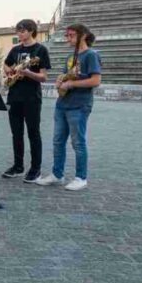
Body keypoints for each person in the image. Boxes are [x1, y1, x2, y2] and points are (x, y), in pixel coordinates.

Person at [37, 23, 101, 191]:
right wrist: (61, 80)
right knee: (58, 141)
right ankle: (57, 174)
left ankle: (81, 178)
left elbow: (96, 81)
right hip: (62, 104)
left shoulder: (91, 55)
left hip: (79, 105)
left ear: (84, 35)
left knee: (78, 142)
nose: (68, 38)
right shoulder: (70, 56)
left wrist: (72, 84)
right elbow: (68, 77)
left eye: (71, 35)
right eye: (67, 35)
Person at [1, 19, 51, 182]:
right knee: (16, 134)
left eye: (22, 31)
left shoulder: (40, 50)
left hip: (32, 98)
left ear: (31, 31)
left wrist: (28, 73)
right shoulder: (15, 50)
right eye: (18, 31)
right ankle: (18, 166)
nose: (19, 34)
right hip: (14, 97)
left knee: (33, 133)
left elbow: (43, 77)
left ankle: (35, 169)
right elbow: (6, 65)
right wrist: (11, 72)